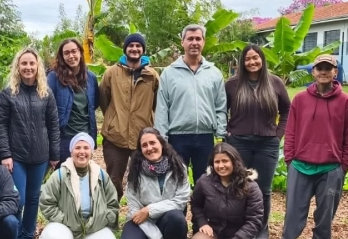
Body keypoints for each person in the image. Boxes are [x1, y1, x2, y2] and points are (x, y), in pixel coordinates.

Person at [259, 54, 348, 239]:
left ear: (334, 72)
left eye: (328, 68)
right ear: (313, 72)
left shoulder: (346, 102)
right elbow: (291, 130)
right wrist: (290, 159)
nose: (323, 72)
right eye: (319, 68)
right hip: (301, 165)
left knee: (325, 212)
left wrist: (343, 166)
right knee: (293, 210)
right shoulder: (301, 100)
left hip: (331, 167)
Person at [0, 48, 60, 239]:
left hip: (40, 156)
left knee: (33, 199)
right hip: (16, 156)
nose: (28, 68)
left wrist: (54, 153)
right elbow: (1, 126)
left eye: (32, 64)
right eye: (24, 64)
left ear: (38, 67)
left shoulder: (46, 93)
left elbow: (53, 125)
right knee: (18, 199)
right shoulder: (9, 93)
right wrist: (5, 154)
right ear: (18, 67)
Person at [224, 44, 290, 239]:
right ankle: (243, 232)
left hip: (267, 144)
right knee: (240, 186)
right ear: (242, 63)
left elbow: (287, 110)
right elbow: (220, 109)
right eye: (247, 59)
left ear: (262, 59)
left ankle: (261, 232)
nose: (252, 62)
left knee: (263, 190)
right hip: (239, 143)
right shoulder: (232, 84)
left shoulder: (275, 83)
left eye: (256, 58)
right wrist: (228, 132)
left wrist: (277, 135)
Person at [38, 133, 120, 239]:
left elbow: (112, 203)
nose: (82, 151)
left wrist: (104, 219)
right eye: (78, 148)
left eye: (86, 148)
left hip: (93, 227)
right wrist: (64, 218)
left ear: (91, 152)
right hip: (66, 225)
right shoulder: (60, 175)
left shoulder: (101, 175)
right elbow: (46, 202)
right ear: (72, 152)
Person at [155, 24, 227, 183]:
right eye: (190, 39)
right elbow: (162, 108)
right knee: (176, 182)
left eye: (198, 39)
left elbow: (220, 106)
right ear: (183, 42)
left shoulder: (214, 73)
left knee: (207, 183)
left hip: (205, 138)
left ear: (204, 42)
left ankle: (201, 209)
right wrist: (162, 139)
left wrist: (220, 134)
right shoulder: (169, 73)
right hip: (177, 138)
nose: (194, 42)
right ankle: (177, 210)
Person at [119, 127, 190, 239]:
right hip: (141, 220)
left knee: (177, 219)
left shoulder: (178, 166)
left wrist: (150, 210)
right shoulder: (135, 171)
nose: (149, 148)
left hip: (167, 219)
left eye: (153, 143)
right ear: (140, 149)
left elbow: (181, 199)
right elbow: (134, 208)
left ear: (162, 144)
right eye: (144, 145)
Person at [99, 33, 160, 203]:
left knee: (144, 180)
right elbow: (104, 99)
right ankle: (111, 216)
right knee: (113, 180)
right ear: (125, 49)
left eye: (138, 46)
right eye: (131, 46)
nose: (134, 49)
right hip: (115, 137)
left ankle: (141, 217)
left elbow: (156, 104)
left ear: (143, 49)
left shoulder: (152, 75)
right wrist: (114, 120)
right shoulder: (111, 73)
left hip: (142, 138)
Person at [189, 143, 263, 239]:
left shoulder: (250, 186)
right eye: (217, 162)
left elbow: (254, 221)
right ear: (212, 164)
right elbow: (196, 204)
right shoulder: (204, 182)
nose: (221, 165)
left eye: (225, 161)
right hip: (216, 232)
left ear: (234, 161)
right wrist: (202, 222)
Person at [46, 38, 99, 165]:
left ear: (80, 52)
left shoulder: (90, 77)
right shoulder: (54, 77)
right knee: (65, 177)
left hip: (85, 137)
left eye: (74, 51)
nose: (71, 56)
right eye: (66, 53)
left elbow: (94, 104)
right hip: (64, 138)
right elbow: (46, 107)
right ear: (62, 56)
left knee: (82, 176)